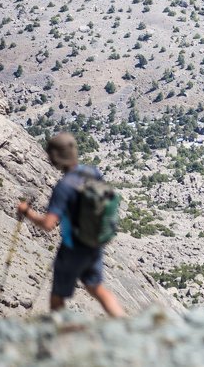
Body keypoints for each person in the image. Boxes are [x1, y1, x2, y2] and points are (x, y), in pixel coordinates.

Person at [16, 133, 125, 317]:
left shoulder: (64, 186)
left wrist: (27, 212)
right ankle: (126, 324)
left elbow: (48, 224)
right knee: (96, 288)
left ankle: (61, 339)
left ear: (54, 157)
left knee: (57, 298)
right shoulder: (93, 172)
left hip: (73, 248)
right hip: (94, 243)